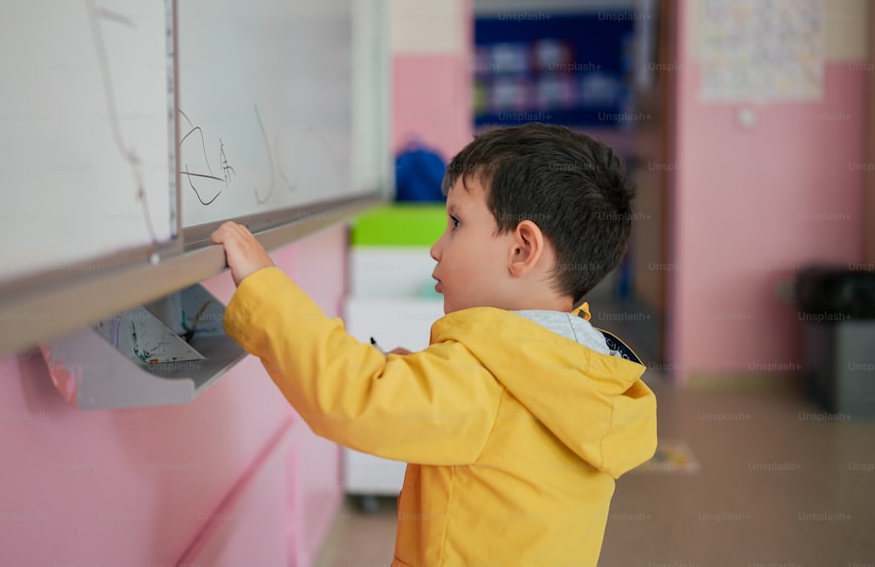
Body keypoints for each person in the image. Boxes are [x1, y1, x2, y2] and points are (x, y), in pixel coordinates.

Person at [210, 123, 658, 567]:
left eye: (456, 223)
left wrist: (263, 285)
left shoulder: (485, 380)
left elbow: (355, 399)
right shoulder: (573, 366)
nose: (436, 247)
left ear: (522, 250)